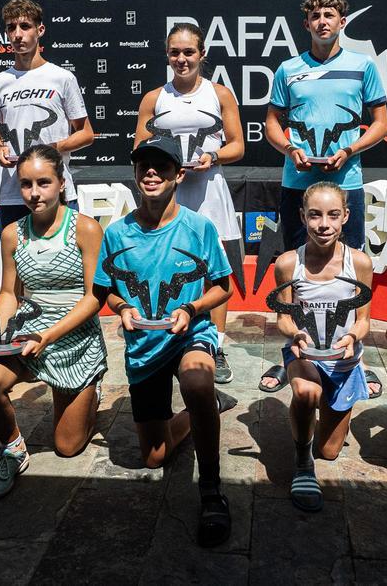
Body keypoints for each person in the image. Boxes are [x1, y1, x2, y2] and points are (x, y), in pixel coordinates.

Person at [90, 136, 237, 547]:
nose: (151, 173)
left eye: (161, 166)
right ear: (135, 175)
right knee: (154, 456)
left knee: (195, 380)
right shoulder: (117, 232)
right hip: (144, 346)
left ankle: (210, 488)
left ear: (179, 174)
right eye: (143, 166)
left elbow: (223, 287)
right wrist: (121, 309)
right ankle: (204, 409)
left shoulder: (200, 226)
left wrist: (191, 310)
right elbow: (107, 290)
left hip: (190, 331)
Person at [262, 0, 387, 396]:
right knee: (297, 275)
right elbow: (271, 123)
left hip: (345, 183)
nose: (322, 22)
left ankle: (355, 358)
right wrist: (289, 148)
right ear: (306, 24)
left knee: (349, 274)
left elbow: (381, 124)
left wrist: (350, 149)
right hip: (297, 183)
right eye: (315, 15)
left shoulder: (362, 66)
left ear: (342, 22)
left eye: (330, 15)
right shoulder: (287, 69)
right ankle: (294, 354)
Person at [0, 145, 108, 501]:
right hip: (26, 337)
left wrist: (48, 335)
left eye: (43, 183)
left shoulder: (86, 229)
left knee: (68, 447)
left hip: (74, 341)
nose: (33, 193)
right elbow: (9, 294)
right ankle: (13, 449)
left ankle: (90, 391)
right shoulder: (13, 233)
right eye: (26, 184)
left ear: (61, 183)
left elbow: (95, 298)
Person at [134, 22, 245, 385]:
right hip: (170, 192)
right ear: (167, 55)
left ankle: (217, 345)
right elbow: (139, 149)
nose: (181, 59)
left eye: (188, 52)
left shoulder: (220, 94)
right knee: (171, 262)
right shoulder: (153, 98)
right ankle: (172, 335)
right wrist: (163, 167)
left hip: (209, 189)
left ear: (202, 55)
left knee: (215, 269)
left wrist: (212, 158)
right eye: (174, 53)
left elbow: (237, 146)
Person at [270, 182, 373, 512]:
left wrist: (352, 338)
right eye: (315, 215)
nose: (323, 224)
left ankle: (346, 389)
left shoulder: (359, 263)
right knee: (306, 394)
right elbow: (284, 320)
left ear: (346, 216)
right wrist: (296, 336)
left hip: (343, 359)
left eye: (332, 215)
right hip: (305, 354)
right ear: (302, 217)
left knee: (329, 450)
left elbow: (364, 320)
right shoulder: (288, 263)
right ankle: (302, 462)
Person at [0, 0, 94, 230]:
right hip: (14, 193)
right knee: (16, 264)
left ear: (40, 30)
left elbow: (86, 134)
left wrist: (51, 150)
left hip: (57, 191)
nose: (18, 34)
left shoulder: (62, 78)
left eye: (25, 26)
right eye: (11, 28)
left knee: (66, 263)